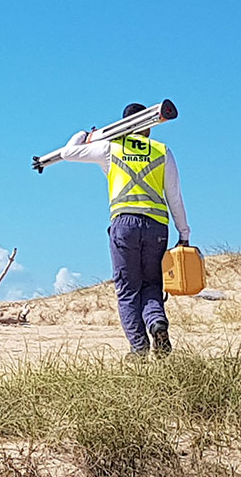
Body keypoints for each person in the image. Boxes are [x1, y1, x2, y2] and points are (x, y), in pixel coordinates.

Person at [48, 103, 191, 358]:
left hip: (125, 226)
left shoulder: (109, 148)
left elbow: (69, 152)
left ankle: (138, 348)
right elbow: (175, 197)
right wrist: (184, 234)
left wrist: (86, 133)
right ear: (149, 125)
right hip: (157, 227)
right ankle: (157, 323)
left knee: (127, 289)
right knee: (151, 285)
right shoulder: (162, 151)